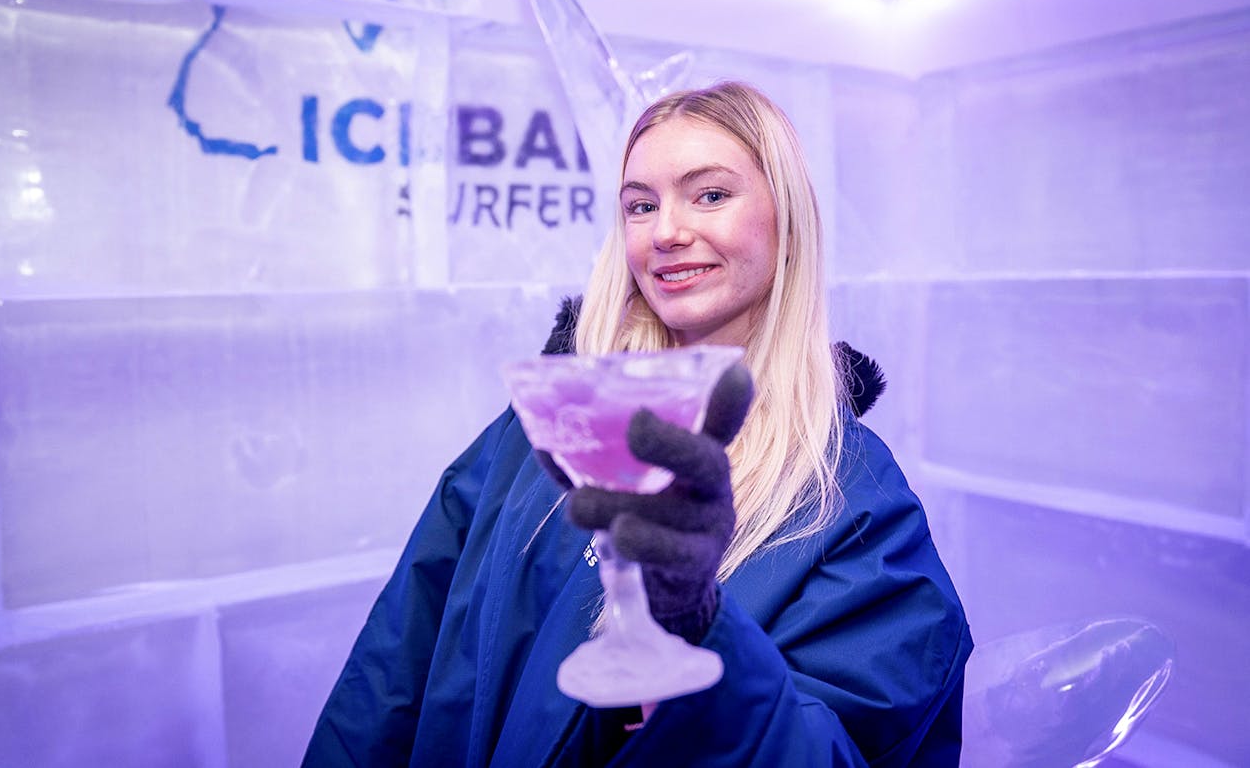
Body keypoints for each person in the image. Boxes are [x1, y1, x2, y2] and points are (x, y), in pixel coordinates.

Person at [303, 81, 972, 766]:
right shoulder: (550, 430)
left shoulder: (856, 501)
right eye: (641, 206)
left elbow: (836, 753)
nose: (667, 232)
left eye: (710, 194)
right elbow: (393, 668)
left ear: (789, 222)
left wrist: (698, 628)